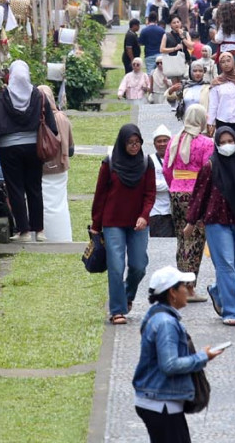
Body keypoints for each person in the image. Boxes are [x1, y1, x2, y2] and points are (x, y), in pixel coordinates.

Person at [134, 266, 226, 443]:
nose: (189, 291)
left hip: (161, 401)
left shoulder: (158, 316)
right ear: (172, 292)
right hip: (161, 403)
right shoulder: (166, 323)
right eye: (185, 286)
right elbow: (170, 365)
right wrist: (202, 357)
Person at [186, 126, 235, 325]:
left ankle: (217, 290)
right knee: (226, 266)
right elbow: (199, 195)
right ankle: (231, 311)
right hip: (216, 222)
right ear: (216, 144)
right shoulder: (210, 166)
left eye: (230, 141)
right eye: (222, 142)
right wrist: (191, 221)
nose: (227, 146)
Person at [0, 61, 59, 242]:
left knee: (15, 188)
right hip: (34, 147)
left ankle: (23, 231)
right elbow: (51, 125)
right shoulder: (39, 96)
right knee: (34, 187)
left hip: (9, 148)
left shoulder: (3, 98)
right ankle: (39, 230)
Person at [92, 125, 156, 324]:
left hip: (138, 223)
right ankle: (117, 310)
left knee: (139, 265)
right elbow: (100, 195)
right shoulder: (110, 163)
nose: (134, 146)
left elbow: (150, 194)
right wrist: (96, 225)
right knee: (116, 266)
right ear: (122, 143)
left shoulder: (146, 163)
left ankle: (127, 294)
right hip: (113, 222)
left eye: (137, 143)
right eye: (130, 143)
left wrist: (144, 215)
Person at [164, 105, 214, 301]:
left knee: (182, 239)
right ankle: (189, 288)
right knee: (196, 240)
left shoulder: (174, 140)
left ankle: (181, 285)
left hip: (176, 193)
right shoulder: (206, 143)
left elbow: (167, 169)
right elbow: (207, 171)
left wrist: (175, 185)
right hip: (196, 195)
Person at [37, 85, 75, 243]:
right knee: (60, 205)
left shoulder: (35, 118)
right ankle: (63, 237)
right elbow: (71, 149)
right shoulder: (62, 118)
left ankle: (42, 236)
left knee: (42, 205)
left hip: (41, 169)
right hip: (60, 167)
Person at [148, 125, 176, 237]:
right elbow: (151, 185)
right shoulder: (149, 160)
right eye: (159, 141)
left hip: (175, 210)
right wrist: (174, 185)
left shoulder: (177, 158)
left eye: (165, 140)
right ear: (154, 144)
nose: (162, 144)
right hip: (157, 211)